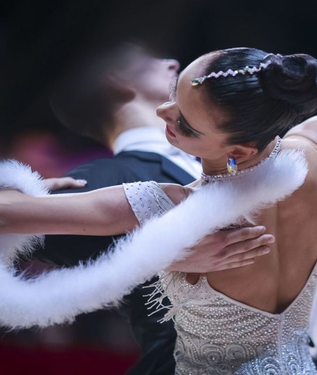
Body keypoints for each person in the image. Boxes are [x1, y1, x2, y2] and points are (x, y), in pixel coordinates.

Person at [0, 3, 317, 374]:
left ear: (238, 150)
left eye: (183, 123)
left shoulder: (171, 206)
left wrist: (20, 188)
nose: (164, 114)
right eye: (174, 97)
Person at [33, 42, 280, 375]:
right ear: (117, 80)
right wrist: (157, 255)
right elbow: (15, 233)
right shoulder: (101, 179)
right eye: (149, 59)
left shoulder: (236, 157)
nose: (172, 62)